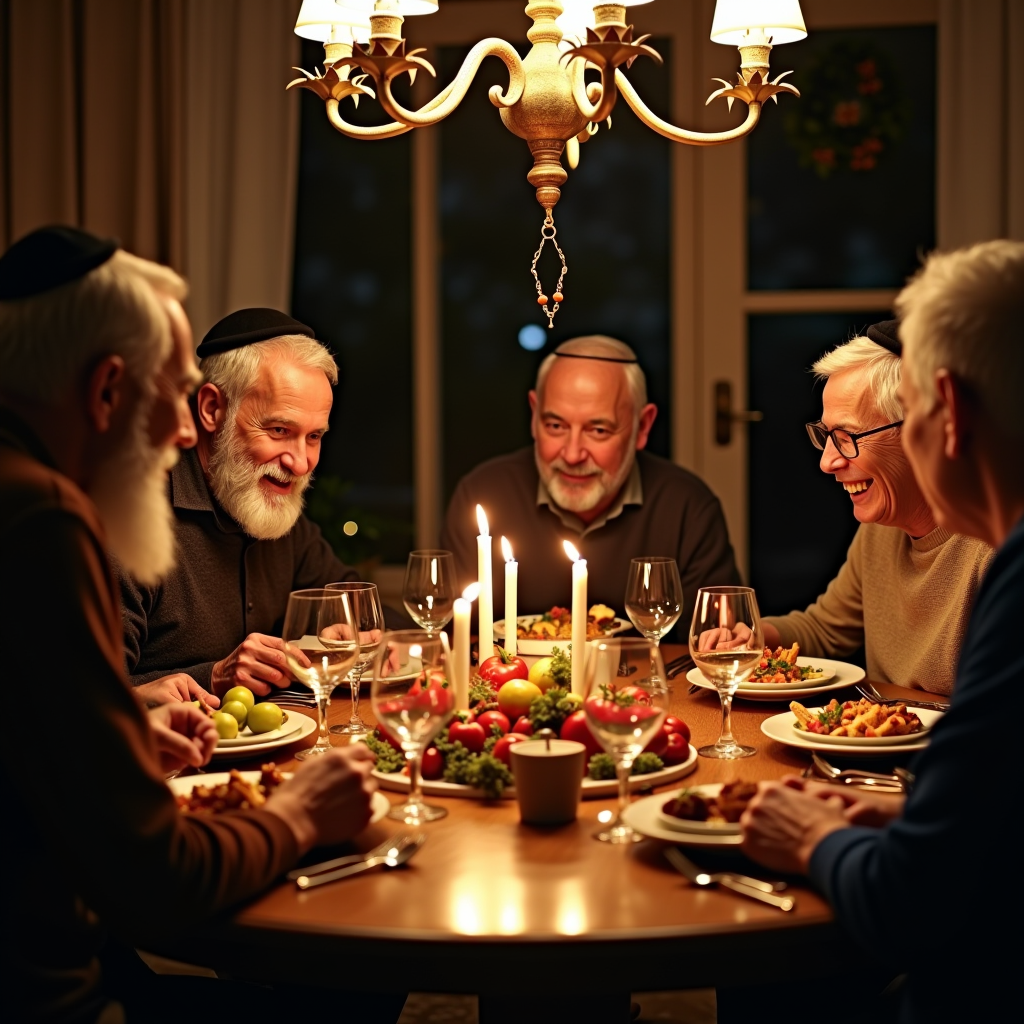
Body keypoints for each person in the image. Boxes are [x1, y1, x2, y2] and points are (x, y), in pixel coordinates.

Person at [0, 226, 381, 1022]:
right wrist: (299, 814)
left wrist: (124, 731)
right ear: (107, 390)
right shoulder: (45, 519)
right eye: (171, 396)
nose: (182, 433)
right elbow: (151, 874)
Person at [740, 240, 1024, 1023]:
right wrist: (913, 816)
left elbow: (912, 901)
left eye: (848, 438)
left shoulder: (1008, 568)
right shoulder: (928, 538)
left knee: (776, 959)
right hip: (912, 816)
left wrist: (812, 835)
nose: (830, 462)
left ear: (946, 415)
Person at [118, 307, 402, 702]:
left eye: (314, 436)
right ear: (212, 409)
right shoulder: (129, 518)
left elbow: (356, 603)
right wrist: (214, 676)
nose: (300, 462)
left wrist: (362, 632)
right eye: (279, 430)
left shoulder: (274, 505)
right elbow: (69, 697)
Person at [703, 323, 991, 695]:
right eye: (825, 436)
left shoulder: (997, 548)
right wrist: (751, 636)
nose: (827, 462)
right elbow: (825, 628)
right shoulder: (881, 528)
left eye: (847, 438)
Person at [440, 335, 740, 623]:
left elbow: (719, 640)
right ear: (534, 416)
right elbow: (447, 631)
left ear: (643, 426)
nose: (572, 455)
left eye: (598, 430)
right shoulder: (481, 493)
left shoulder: (688, 507)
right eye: (555, 425)